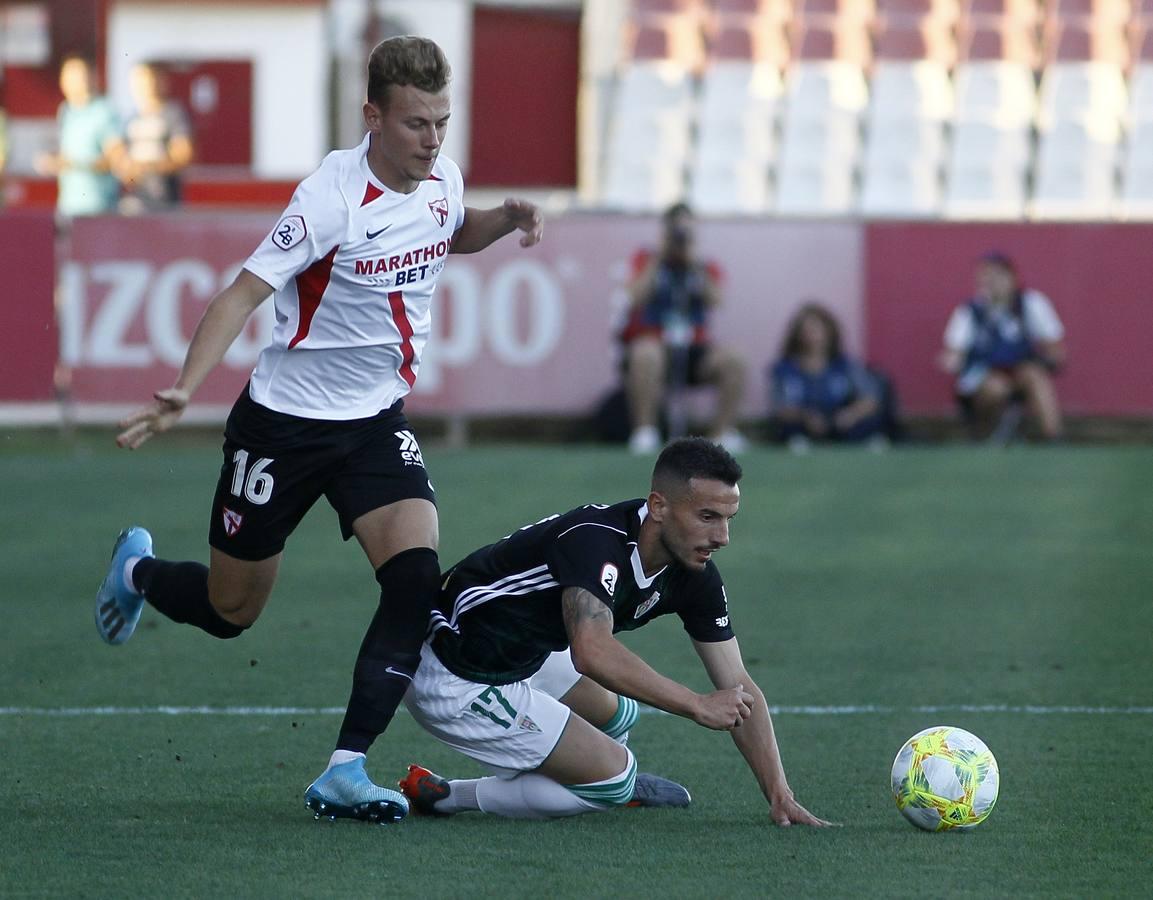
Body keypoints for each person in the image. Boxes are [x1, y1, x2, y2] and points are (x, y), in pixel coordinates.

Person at [94, 36, 543, 825]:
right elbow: (240, 294)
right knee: (233, 612)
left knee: (413, 580)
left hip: (373, 424)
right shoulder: (328, 199)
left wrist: (501, 220)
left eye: (442, 121)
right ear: (372, 116)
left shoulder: (441, 177)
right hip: (284, 428)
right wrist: (182, 392)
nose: (433, 140)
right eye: (414, 124)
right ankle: (137, 575)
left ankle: (344, 767)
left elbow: (448, 228)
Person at [395, 438, 832, 827]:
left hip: (523, 652)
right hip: (453, 671)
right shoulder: (596, 540)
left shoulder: (694, 573)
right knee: (615, 782)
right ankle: (449, 797)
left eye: (728, 518)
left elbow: (738, 683)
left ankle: (569, 776)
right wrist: (695, 704)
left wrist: (779, 793)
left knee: (619, 717)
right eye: (707, 516)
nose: (722, 536)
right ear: (659, 507)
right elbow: (591, 651)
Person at [620, 203, 748, 455]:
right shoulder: (646, 260)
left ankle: (721, 433)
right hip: (656, 342)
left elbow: (716, 300)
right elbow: (634, 297)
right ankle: (645, 431)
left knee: (735, 360)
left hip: (694, 347)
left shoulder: (705, 266)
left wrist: (694, 263)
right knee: (645, 353)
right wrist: (659, 258)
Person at [939, 252, 1066, 442]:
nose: (992, 282)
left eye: (998, 275)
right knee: (996, 388)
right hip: (984, 374)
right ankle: (989, 434)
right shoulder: (970, 311)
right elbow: (954, 352)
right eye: (986, 276)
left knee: (1035, 377)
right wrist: (952, 361)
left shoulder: (1030, 304)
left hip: (1020, 370)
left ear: (1013, 278)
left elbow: (1055, 348)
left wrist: (1048, 360)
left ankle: (1054, 436)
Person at [768, 302, 898, 451]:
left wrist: (850, 414)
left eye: (816, 329)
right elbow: (779, 408)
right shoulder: (785, 369)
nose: (812, 336)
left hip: (840, 422)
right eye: (806, 330)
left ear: (829, 332)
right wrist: (806, 417)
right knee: (787, 429)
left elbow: (870, 399)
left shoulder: (845, 365)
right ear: (797, 334)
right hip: (804, 423)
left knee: (870, 423)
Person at [35, 55, 124, 217]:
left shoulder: (104, 111)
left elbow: (115, 160)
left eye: (80, 76)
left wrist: (73, 164)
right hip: (69, 207)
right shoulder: (66, 111)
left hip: (99, 208)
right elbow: (68, 154)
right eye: (70, 76)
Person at [117, 62, 194, 214]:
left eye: (147, 80)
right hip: (136, 200)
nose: (144, 86)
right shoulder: (131, 119)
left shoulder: (173, 114)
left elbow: (183, 155)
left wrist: (147, 166)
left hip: (165, 202)